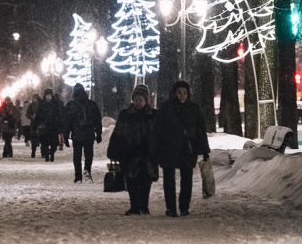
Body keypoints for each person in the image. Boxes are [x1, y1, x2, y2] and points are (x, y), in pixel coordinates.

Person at [151, 80, 210, 217]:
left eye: (184, 93)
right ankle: (170, 207)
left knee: (187, 178)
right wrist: (155, 148)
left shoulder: (193, 108)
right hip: (168, 147)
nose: (182, 96)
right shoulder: (166, 107)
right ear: (174, 93)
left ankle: (184, 207)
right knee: (169, 179)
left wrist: (204, 148)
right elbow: (157, 129)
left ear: (188, 94)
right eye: (179, 93)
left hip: (187, 147)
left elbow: (200, 128)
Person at [108, 83, 158, 214]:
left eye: (140, 100)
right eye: (135, 99)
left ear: (146, 100)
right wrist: (113, 150)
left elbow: (158, 134)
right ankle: (134, 206)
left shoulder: (153, 115)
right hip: (130, 153)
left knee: (146, 181)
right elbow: (118, 133)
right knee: (131, 180)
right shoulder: (126, 115)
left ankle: (144, 206)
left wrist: (157, 149)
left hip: (147, 154)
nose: (137, 102)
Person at [63, 83, 103, 182]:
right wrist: (98, 134)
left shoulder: (71, 105)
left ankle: (78, 177)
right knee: (88, 154)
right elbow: (97, 120)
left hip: (77, 134)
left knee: (77, 155)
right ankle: (87, 171)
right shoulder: (91, 104)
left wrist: (66, 135)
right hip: (89, 134)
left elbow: (67, 122)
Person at [36, 89, 61, 162]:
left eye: (49, 96)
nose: (48, 97)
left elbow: (59, 114)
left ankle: (52, 153)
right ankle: (47, 155)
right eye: (47, 96)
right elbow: (38, 115)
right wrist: (37, 124)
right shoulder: (42, 104)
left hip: (53, 126)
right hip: (44, 127)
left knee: (54, 143)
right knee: (44, 143)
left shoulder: (55, 104)